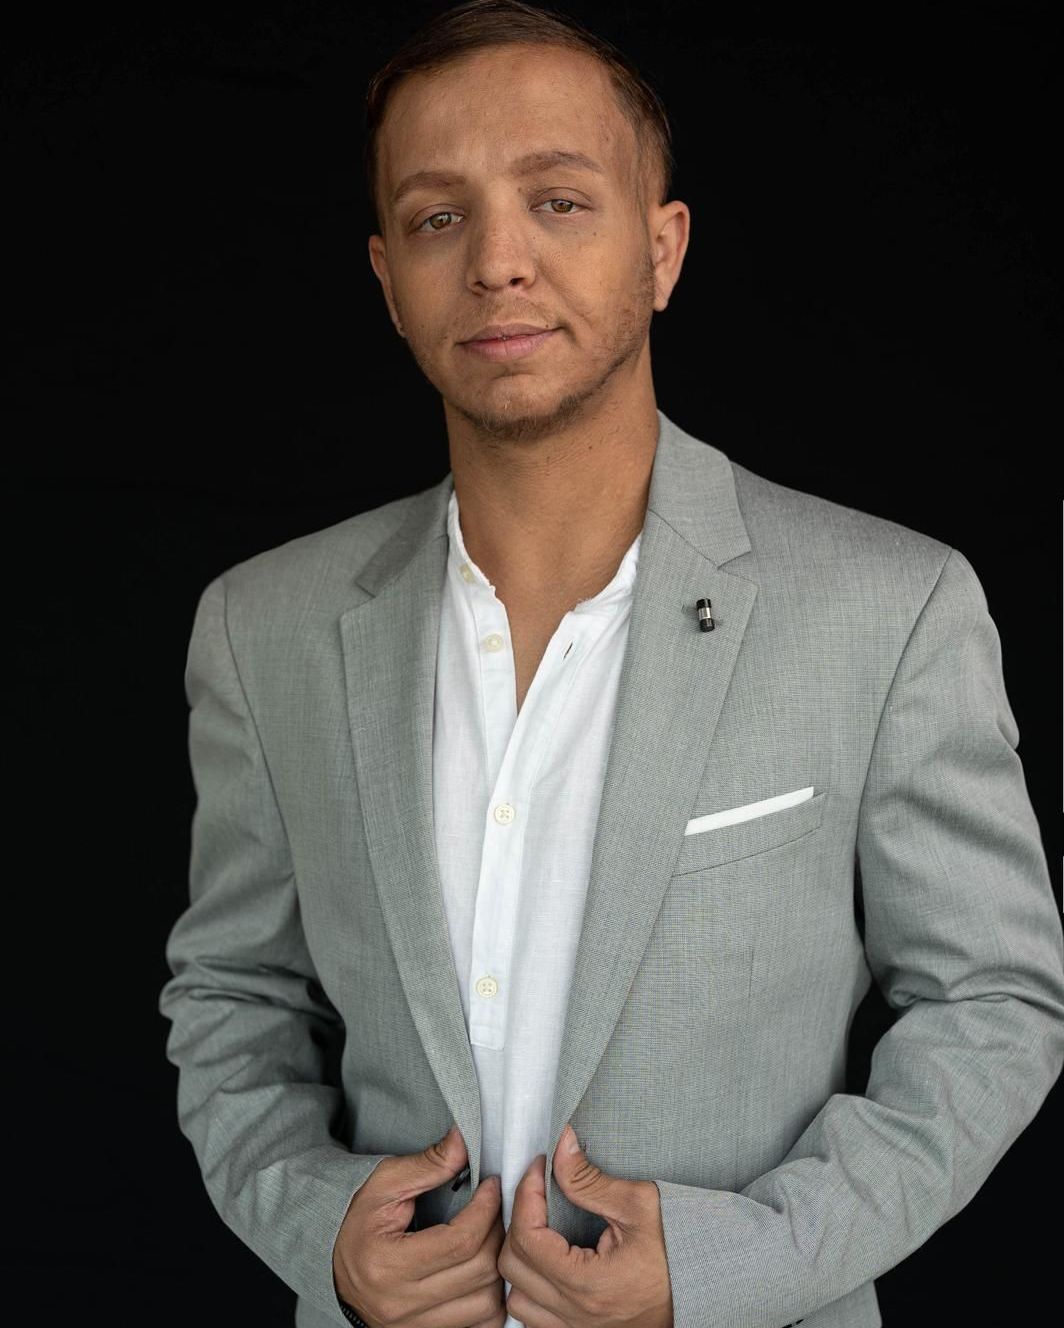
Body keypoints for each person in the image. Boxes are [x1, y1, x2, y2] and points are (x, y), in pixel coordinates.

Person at [158, 3, 1064, 1327]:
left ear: (662, 248)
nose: (497, 262)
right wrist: (325, 1237)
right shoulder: (262, 629)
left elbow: (991, 1001)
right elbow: (232, 995)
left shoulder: (893, 609)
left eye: (559, 201)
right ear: (389, 280)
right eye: (438, 217)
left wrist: (730, 1265)